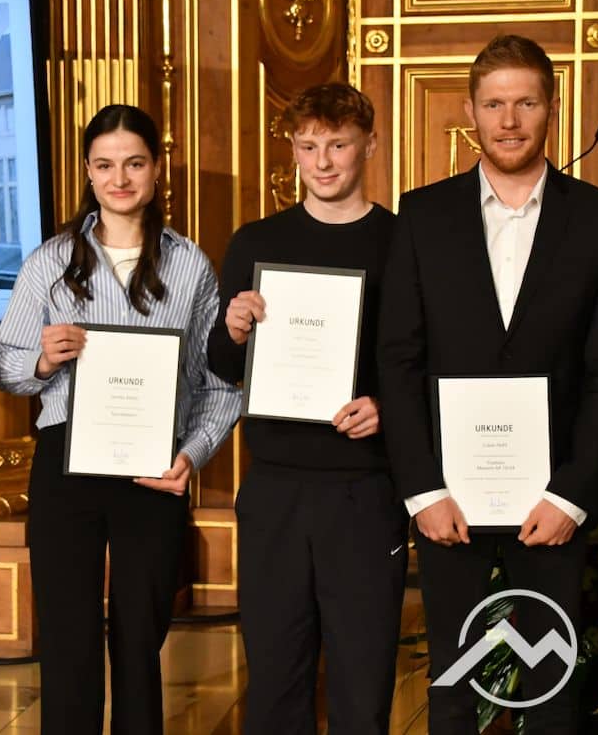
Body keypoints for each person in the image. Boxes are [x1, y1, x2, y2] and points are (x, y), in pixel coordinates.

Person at [377, 33, 598, 733]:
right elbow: (398, 362)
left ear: (551, 107)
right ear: (470, 111)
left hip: (553, 502)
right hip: (449, 502)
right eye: (494, 104)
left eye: (526, 102)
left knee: (553, 691)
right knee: (452, 688)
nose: (510, 120)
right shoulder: (422, 215)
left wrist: (573, 495)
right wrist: (423, 491)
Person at [0, 104, 241, 734]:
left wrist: (192, 454)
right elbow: (4, 365)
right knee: (68, 640)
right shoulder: (49, 262)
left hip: (153, 471)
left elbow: (220, 384)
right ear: (87, 171)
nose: (119, 179)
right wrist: (42, 359)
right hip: (66, 465)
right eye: (105, 165)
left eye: (134, 163)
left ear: (157, 169)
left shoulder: (190, 266)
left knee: (140, 640)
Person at [207, 83, 407, 734]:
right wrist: (232, 329)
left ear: (369, 145)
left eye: (338, 145)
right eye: (308, 146)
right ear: (293, 149)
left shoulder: (403, 242)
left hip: (364, 488)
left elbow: (427, 362)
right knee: (274, 678)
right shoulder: (254, 242)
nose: (322, 162)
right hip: (274, 489)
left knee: (362, 680)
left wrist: (387, 408)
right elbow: (223, 365)